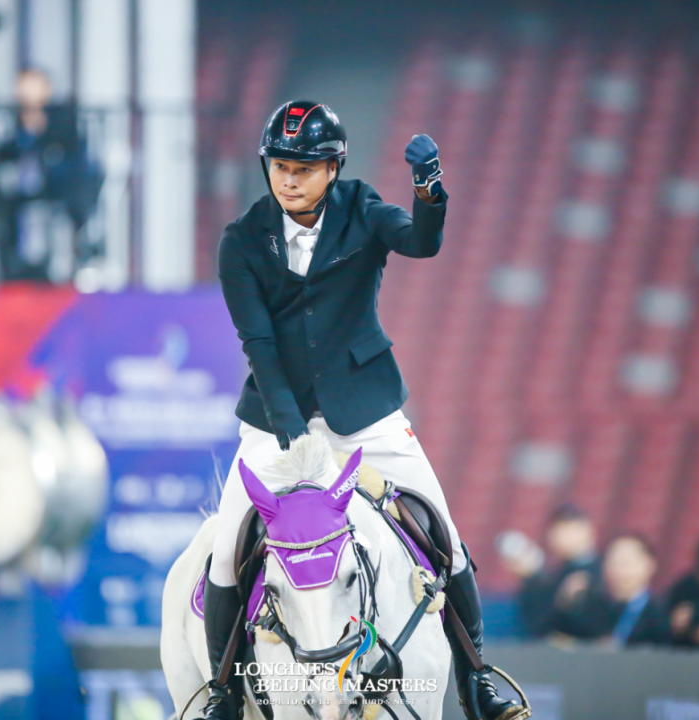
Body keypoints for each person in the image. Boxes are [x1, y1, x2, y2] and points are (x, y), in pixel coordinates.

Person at [204, 100, 525, 720]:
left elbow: (421, 243)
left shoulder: (362, 207)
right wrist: (292, 429)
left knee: (446, 536)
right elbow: (258, 342)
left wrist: (428, 190)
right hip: (276, 419)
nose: (288, 179)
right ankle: (222, 691)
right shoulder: (241, 239)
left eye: (303, 168)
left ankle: (477, 679)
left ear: (333, 168)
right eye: (279, 166)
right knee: (224, 553)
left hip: (365, 411)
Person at [0, 68, 103, 281]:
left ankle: (76, 260)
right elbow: (8, 152)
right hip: (24, 189)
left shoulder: (61, 116)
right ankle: (13, 268)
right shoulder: (14, 119)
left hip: (60, 185)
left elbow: (69, 151)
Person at [510, 504, 604, 639]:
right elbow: (536, 625)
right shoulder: (552, 578)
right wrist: (531, 578)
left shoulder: (605, 573)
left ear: (588, 531)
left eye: (570, 531)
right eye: (557, 533)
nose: (564, 538)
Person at [560, 534, 670, 647]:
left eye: (626, 562)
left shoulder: (660, 613)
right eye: (613, 561)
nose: (618, 569)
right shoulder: (590, 606)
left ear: (649, 564)